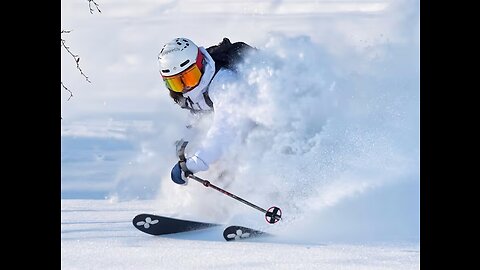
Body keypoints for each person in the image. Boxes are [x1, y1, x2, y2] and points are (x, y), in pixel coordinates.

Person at [157, 37, 255, 186]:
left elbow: (225, 131)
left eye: (189, 78)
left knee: (238, 155)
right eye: (176, 83)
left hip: (274, 126)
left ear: (200, 63)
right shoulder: (196, 90)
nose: (185, 87)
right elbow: (199, 115)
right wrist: (187, 145)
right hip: (246, 131)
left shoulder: (224, 82)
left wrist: (195, 164)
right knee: (221, 167)